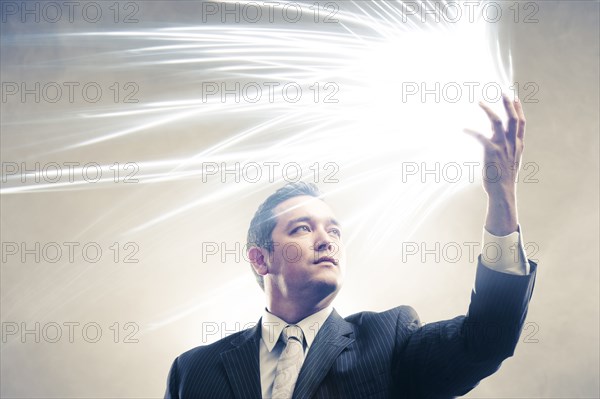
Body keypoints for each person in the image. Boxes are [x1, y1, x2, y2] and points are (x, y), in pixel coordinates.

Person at [164, 94, 537, 399]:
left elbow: (486, 341)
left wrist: (502, 196)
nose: (326, 240)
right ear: (261, 259)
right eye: (302, 228)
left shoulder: (388, 340)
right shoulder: (193, 371)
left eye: (334, 230)